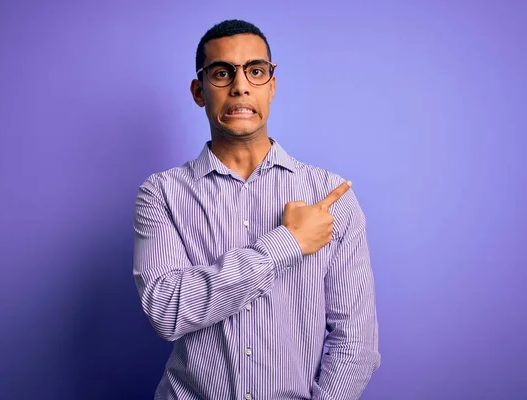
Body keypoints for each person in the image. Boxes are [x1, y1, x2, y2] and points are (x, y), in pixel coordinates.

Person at [133, 19, 380, 400]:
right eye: (222, 73)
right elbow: (168, 311)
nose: (240, 85)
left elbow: (356, 343)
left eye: (256, 71)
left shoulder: (332, 196)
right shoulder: (161, 194)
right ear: (199, 92)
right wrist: (288, 243)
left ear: (272, 86)